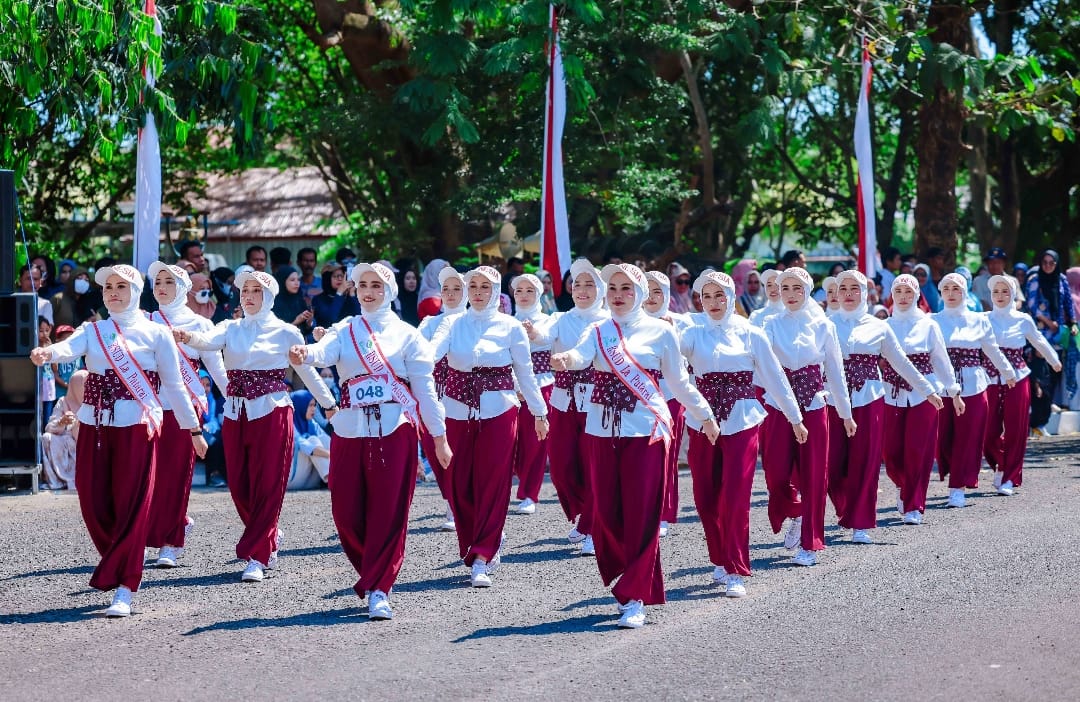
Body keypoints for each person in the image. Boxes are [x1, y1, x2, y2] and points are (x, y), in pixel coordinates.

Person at [30, 264, 207, 617]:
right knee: (93, 500)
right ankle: (124, 552)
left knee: (132, 502)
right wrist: (47, 353)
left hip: (136, 428)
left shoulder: (155, 334)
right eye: (108, 286)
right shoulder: (94, 330)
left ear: (135, 291)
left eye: (121, 286)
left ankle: (125, 586)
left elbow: (174, 386)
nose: (113, 292)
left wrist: (193, 430)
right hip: (94, 427)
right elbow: (69, 348)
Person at [550, 262, 718, 629]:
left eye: (626, 289)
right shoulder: (597, 330)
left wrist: (704, 415)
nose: (618, 295)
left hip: (645, 432)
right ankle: (623, 575)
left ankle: (635, 594)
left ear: (640, 293)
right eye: (612, 289)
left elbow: (679, 381)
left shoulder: (661, 332)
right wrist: (566, 360)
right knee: (608, 514)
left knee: (642, 513)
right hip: (600, 429)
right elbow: (579, 356)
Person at [289, 262, 450, 619]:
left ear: (389, 290)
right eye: (362, 284)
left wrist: (438, 437)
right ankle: (373, 568)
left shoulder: (408, 335)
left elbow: (425, 390)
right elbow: (324, 353)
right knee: (345, 512)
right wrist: (306, 354)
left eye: (376, 285)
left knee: (389, 511)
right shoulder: (346, 329)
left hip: (395, 429)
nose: (368, 291)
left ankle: (380, 586)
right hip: (349, 428)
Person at [175, 270, 336, 583]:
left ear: (269, 296)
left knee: (268, 483)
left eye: (255, 290)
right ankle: (268, 533)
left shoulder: (285, 332)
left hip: (273, 412)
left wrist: (329, 404)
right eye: (244, 290)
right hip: (236, 414)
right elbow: (207, 342)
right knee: (239, 484)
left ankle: (259, 556)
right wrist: (187, 336)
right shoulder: (230, 327)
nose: (248, 296)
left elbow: (308, 373)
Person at [681, 271, 806, 598]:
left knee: (735, 496)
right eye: (706, 297)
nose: (713, 302)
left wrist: (795, 417)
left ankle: (736, 567)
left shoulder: (751, 333)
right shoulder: (692, 333)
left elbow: (776, 378)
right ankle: (719, 559)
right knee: (706, 497)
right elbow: (669, 362)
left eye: (719, 295)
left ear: (730, 296)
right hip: (702, 423)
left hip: (742, 421)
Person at [429, 265, 548, 588]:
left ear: (496, 291)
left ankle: (483, 553)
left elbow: (525, 372)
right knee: (459, 481)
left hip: (500, 410)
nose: (478, 292)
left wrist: (539, 412)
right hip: (457, 409)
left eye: (485, 286)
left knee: (493, 482)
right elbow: (430, 355)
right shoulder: (453, 324)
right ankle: (474, 542)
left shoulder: (510, 326)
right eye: (473, 286)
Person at [826, 271, 943, 543]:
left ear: (865, 293)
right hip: (833, 400)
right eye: (843, 289)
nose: (849, 294)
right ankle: (846, 508)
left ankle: (861, 522)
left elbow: (901, 362)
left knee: (865, 461)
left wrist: (928, 390)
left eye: (855, 289)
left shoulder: (878, 326)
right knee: (832, 466)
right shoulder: (826, 324)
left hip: (870, 399)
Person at [760, 267, 855, 567]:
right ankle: (796, 511)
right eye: (784, 288)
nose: (789, 294)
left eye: (796, 288)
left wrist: (846, 413)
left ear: (806, 290)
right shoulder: (770, 324)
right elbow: (761, 366)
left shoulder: (823, 326)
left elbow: (836, 374)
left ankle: (810, 542)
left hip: (814, 406)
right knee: (775, 473)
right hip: (777, 406)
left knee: (815, 475)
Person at [145, 262, 229, 568]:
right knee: (148, 475)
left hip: (185, 408)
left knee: (176, 474)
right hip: (149, 405)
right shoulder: (146, 321)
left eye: (169, 281)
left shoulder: (201, 324)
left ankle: (171, 540)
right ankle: (149, 534)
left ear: (183, 288)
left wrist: (232, 396)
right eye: (157, 282)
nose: (162, 287)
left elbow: (217, 367)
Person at [531, 259, 607, 556]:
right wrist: (533, 333)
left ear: (600, 289)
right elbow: (544, 336)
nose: (583, 290)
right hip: (563, 400)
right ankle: (585, 515)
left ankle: (592, 526)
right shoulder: (561, 318)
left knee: (593, 466)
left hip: (599, 402)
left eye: (590, 284)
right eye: (578, 284)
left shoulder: (609, 320)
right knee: (561, 465)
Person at [881, 274, 961, 525]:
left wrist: (953, 391)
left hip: (924, 394)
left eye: (908, 291)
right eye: (898, 291)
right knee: (890, 451)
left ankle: (914, 503)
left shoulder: (929, 325)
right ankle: (903, 485)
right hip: (890, 392)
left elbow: (940, 360)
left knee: (919, 450)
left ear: (916, 295)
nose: (903, 297)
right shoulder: (883, 325)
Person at [933, 272, 1015, 508]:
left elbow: (992, 350)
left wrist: (1008, 373)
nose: (951, 293)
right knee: (944, 438)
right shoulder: (933, 320)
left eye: (956, 288)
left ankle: (957, 487)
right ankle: (954, 472)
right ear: (941, 292)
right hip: (942, 387)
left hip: (975, 386)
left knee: (967, 439)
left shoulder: (979, 320)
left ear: (965, 292)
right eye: (946, 288)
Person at [985, 275, 1061, 496]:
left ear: (1013, 294)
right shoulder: (983, 319)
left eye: (1005, 291)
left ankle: (1010, 477)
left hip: (1017, 378)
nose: (1000, 296)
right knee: (987, 432)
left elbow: (1039, 340)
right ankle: (1001, 463)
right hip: (989, 378)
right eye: (996, 291)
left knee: (1016, 429)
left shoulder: (1023, 319)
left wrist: (1054, 360)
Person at [418, 266, 468, 531]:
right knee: (434, 451)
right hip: (435, 396)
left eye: (456, 288)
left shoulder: (473, 322)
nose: (450, 294)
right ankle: (451, 499)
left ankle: (460, 505)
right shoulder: (430, 323)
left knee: (461, 452)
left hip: (465, 399)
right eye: (445, 289)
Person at [643, 270, 692, 537]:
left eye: (658, 291)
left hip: (672, 398)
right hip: (639, 398)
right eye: (647, 290)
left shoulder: (681, 322)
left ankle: (663, 513)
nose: (652, 297)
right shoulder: (630, 322)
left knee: (667, 456)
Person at [512, 274, 556, 515]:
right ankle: (520, 484)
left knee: (537, 442)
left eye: (530, 290)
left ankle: (530, 493)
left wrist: (534, 333)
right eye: (519, 290)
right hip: (511, 386)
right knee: (514, 442)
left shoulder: (548, 321)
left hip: (542, 383)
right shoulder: (505, 321)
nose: (524, 294)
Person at [1025, 250, 1077, 431]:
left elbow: (1068, 302)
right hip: (1040, 337)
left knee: (1054, 378)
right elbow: (1032, 306)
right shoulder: (1034, 280)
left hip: (1058, 337)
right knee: (1040, 379)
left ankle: (1042, 422)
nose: (1048, 266)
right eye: (1044, 262)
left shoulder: (1061, 279)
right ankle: (1036, 422)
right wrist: (1049, 323)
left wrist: (1072, 323)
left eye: (1051, 263)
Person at [41, 369, 88, 490]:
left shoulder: (95, 403)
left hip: (87, 446)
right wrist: (62, 422)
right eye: (82, 385)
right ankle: (57, 481)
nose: (85, 389)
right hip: (68, 444)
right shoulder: (63, 402)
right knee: (46, 438)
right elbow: (49, 428)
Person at [285, 390, 331, 490]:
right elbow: (306, 447)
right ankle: (334, 479)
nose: (313, 409)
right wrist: (332, 455)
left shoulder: (311, 423)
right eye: (310, 405)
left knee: (323, 440)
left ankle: (336, 476)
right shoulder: (289, 424)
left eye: (314, 405)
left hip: (309, 481)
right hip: (292, 480)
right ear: (299, 405)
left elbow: (328, 441)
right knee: (313, 440)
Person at [312, 263, 361, 329]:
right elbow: (330, 319)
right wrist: (339, 293)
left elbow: (360, 318)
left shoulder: (349, 297)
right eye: (335, 276)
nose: (340, 279)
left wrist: (352, 293)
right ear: (327, 279)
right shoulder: (318, 300)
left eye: (342, 276)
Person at [272, 266, 314, 339]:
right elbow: (276, 334)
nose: (297, 283)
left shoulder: (300, 300)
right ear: (282, 281)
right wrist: (296, 321)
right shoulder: (274, 304)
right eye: (292, 280)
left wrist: (309, 322)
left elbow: (306, 331)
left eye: (298, 280)